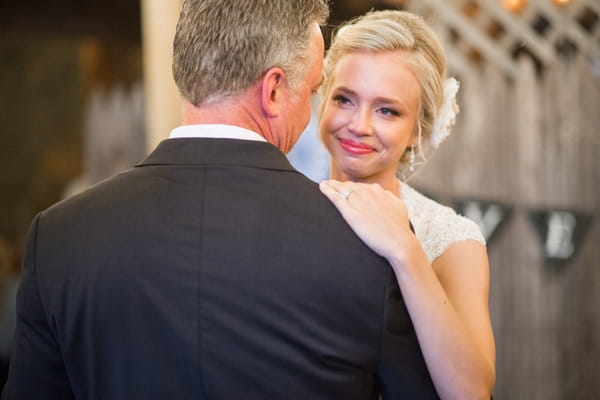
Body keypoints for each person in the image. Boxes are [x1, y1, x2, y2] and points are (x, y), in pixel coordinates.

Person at [3, 2, 439, 399]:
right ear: (272, 92)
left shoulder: (60, 236)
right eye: (311, 92)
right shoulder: (367, 240)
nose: (312, 113)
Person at [318, 10, 496, 400]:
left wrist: (404, 248)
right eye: (344, 99)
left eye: (387, 110)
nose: (359, 125)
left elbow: (471, 392)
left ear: (420, 130)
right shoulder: (286, 209)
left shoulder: (450, 240)